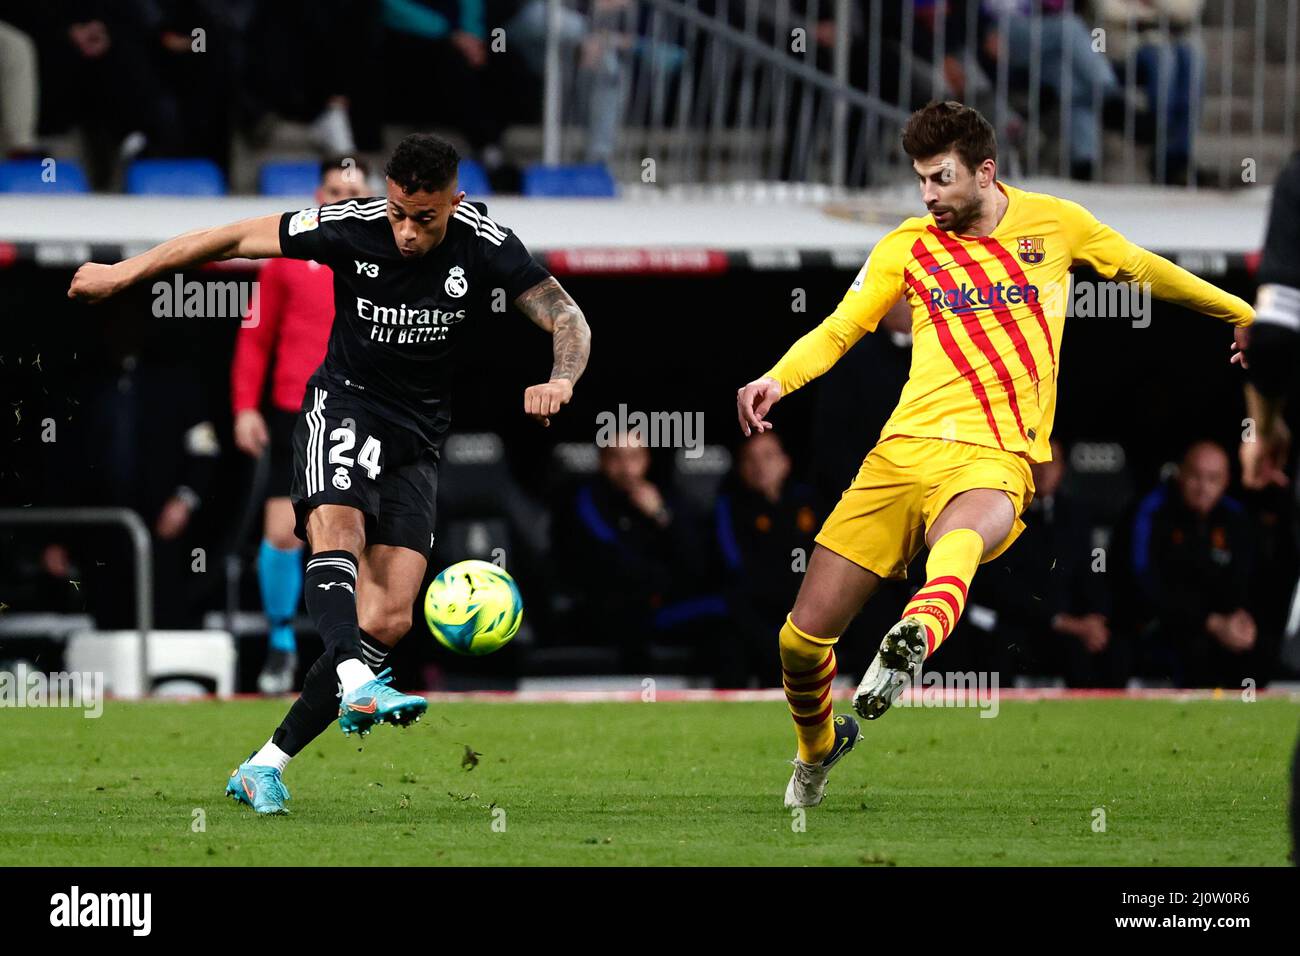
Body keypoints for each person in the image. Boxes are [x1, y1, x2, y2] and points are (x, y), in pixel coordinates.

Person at [735, 100, 1254, 809]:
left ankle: (914, 633)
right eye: (919, 179)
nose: (928, 194)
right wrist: (775, 379)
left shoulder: (1057, 224)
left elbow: (1143, 269)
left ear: (986, 170)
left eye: (940, 178)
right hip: (900, 456)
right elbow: (838, 329)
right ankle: (819, 748)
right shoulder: (907, 246)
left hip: (995, 455)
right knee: (799, 644)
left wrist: (1242, 313)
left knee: (960, 538)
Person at [68, 132, 592, 814]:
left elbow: (565, 313)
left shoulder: (484, 240)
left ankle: (265, 764)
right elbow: (230, 237)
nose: (405, 232)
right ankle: (354, 678)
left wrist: (562, 377)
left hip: (418, 439)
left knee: (391, 616)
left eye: (423, 218)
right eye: (399, 212)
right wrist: (125, 272)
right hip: (343, 406)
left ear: (454, 202)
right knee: (334, 530)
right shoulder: (350, 226)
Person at [231, 156, 372, 694]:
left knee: (355, 536)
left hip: (362, 410)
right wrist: (246, 406)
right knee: (281, 534)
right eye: (336, 193)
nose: (345, 202)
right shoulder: (286, 259)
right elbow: (255, 337)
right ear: (318, 197)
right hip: (294, 409)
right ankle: (281, 647)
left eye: (355, 195)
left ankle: (354, 658)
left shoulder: (383, 261)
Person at [1130, 441, 1261, 687]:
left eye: (1213, 479)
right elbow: (1147, 583)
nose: (1203, 487)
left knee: (1258, 645)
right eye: (1196, 476)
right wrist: (1210, 622)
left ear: (1226, 481)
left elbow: (1247, 579)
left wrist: (1241, 618)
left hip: (1224, 625)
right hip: (1166, 623)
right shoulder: (1154, 511)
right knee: (1194, 648)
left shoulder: (1235, 518)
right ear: (1180, 474)